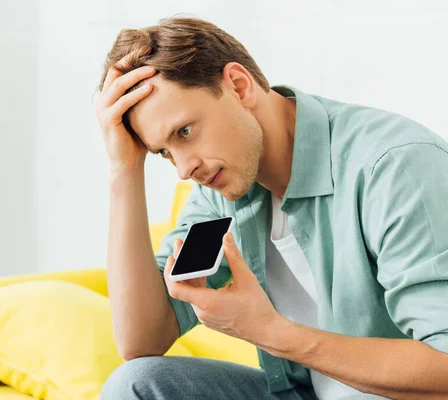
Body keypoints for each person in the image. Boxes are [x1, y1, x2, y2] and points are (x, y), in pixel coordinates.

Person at [94, 16, 448, 400]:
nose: (183, 169)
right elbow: (142, 341)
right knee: (137, 383)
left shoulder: (394, 167)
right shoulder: (221, 189)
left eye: (185, 132)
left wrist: (269, 332)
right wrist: (124, 169)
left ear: (238, 86)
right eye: (164, 152)